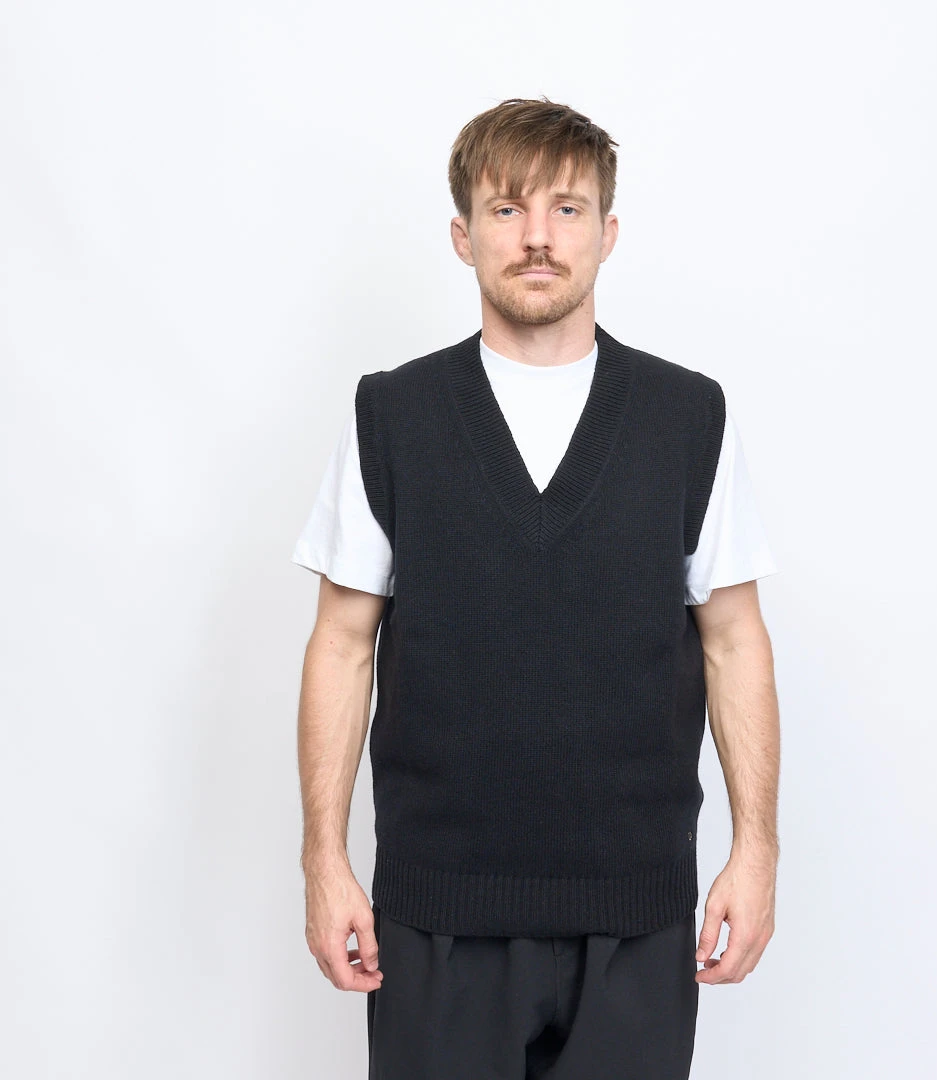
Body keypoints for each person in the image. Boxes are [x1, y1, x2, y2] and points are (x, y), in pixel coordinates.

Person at [291, 97, 782, 1079]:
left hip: (637, 914)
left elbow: (734, 639)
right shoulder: (395, 415)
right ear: (463, 235)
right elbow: (342, 643)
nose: (538, 238)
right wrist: (324, 857)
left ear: (607, 232)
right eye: (508, 209)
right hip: (436, 915)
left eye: (566, 208)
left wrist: (757, 847)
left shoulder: (687, 417)